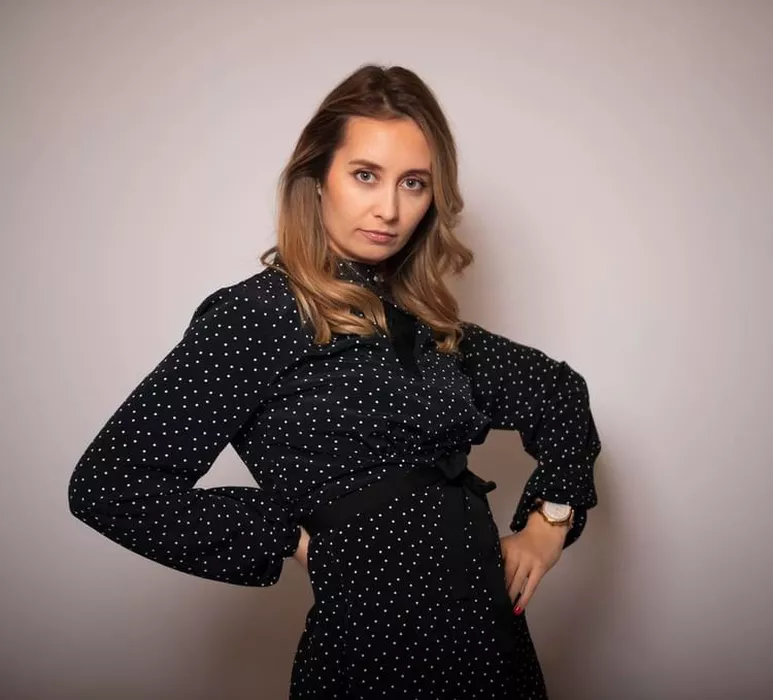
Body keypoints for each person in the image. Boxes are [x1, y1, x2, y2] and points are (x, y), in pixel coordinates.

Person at [68, 63, 601, 699]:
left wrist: (548, 526)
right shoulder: (258, 314)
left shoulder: (430, 329)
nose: (389, 209)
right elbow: (110, 485)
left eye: (413, 183)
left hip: (490, 645)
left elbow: (559, 395)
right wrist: (286, 537)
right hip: (371, 654)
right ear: (317, 178)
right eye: (365, 175)